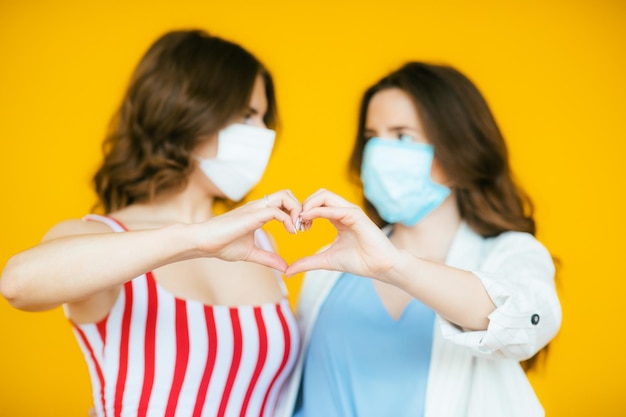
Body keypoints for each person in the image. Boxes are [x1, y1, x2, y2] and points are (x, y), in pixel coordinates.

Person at [0, 29, 302, 417]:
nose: (263, 134)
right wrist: (194, 238)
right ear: (188, 110)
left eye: (263, 117)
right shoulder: (102, 235)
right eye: (246, 115)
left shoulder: (259, 242)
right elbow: (18, 284)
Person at [275, 62, 562, 417]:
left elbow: (525, 325)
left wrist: (396, 265)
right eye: (371, 137)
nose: (380, 153)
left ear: (459, 149)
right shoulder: (331, 265)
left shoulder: (510, 253)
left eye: (403, 136)